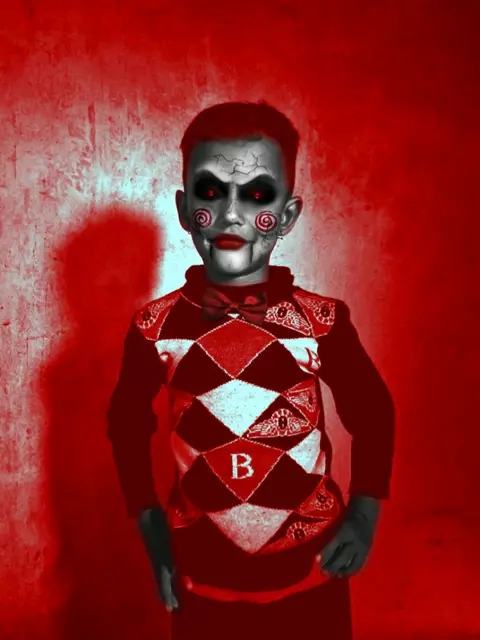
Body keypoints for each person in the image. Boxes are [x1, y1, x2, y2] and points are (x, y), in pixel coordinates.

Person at [107, 101, 395, 639]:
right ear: (183, 207)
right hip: (201, 583)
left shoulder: (321, 320)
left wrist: (363, 515)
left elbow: (373, 410)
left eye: (257, 194)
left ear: (287, 214)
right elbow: (125, 422)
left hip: (314, 580)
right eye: (209, 191)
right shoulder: (154, 327)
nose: (231, 213)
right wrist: (150, 525)